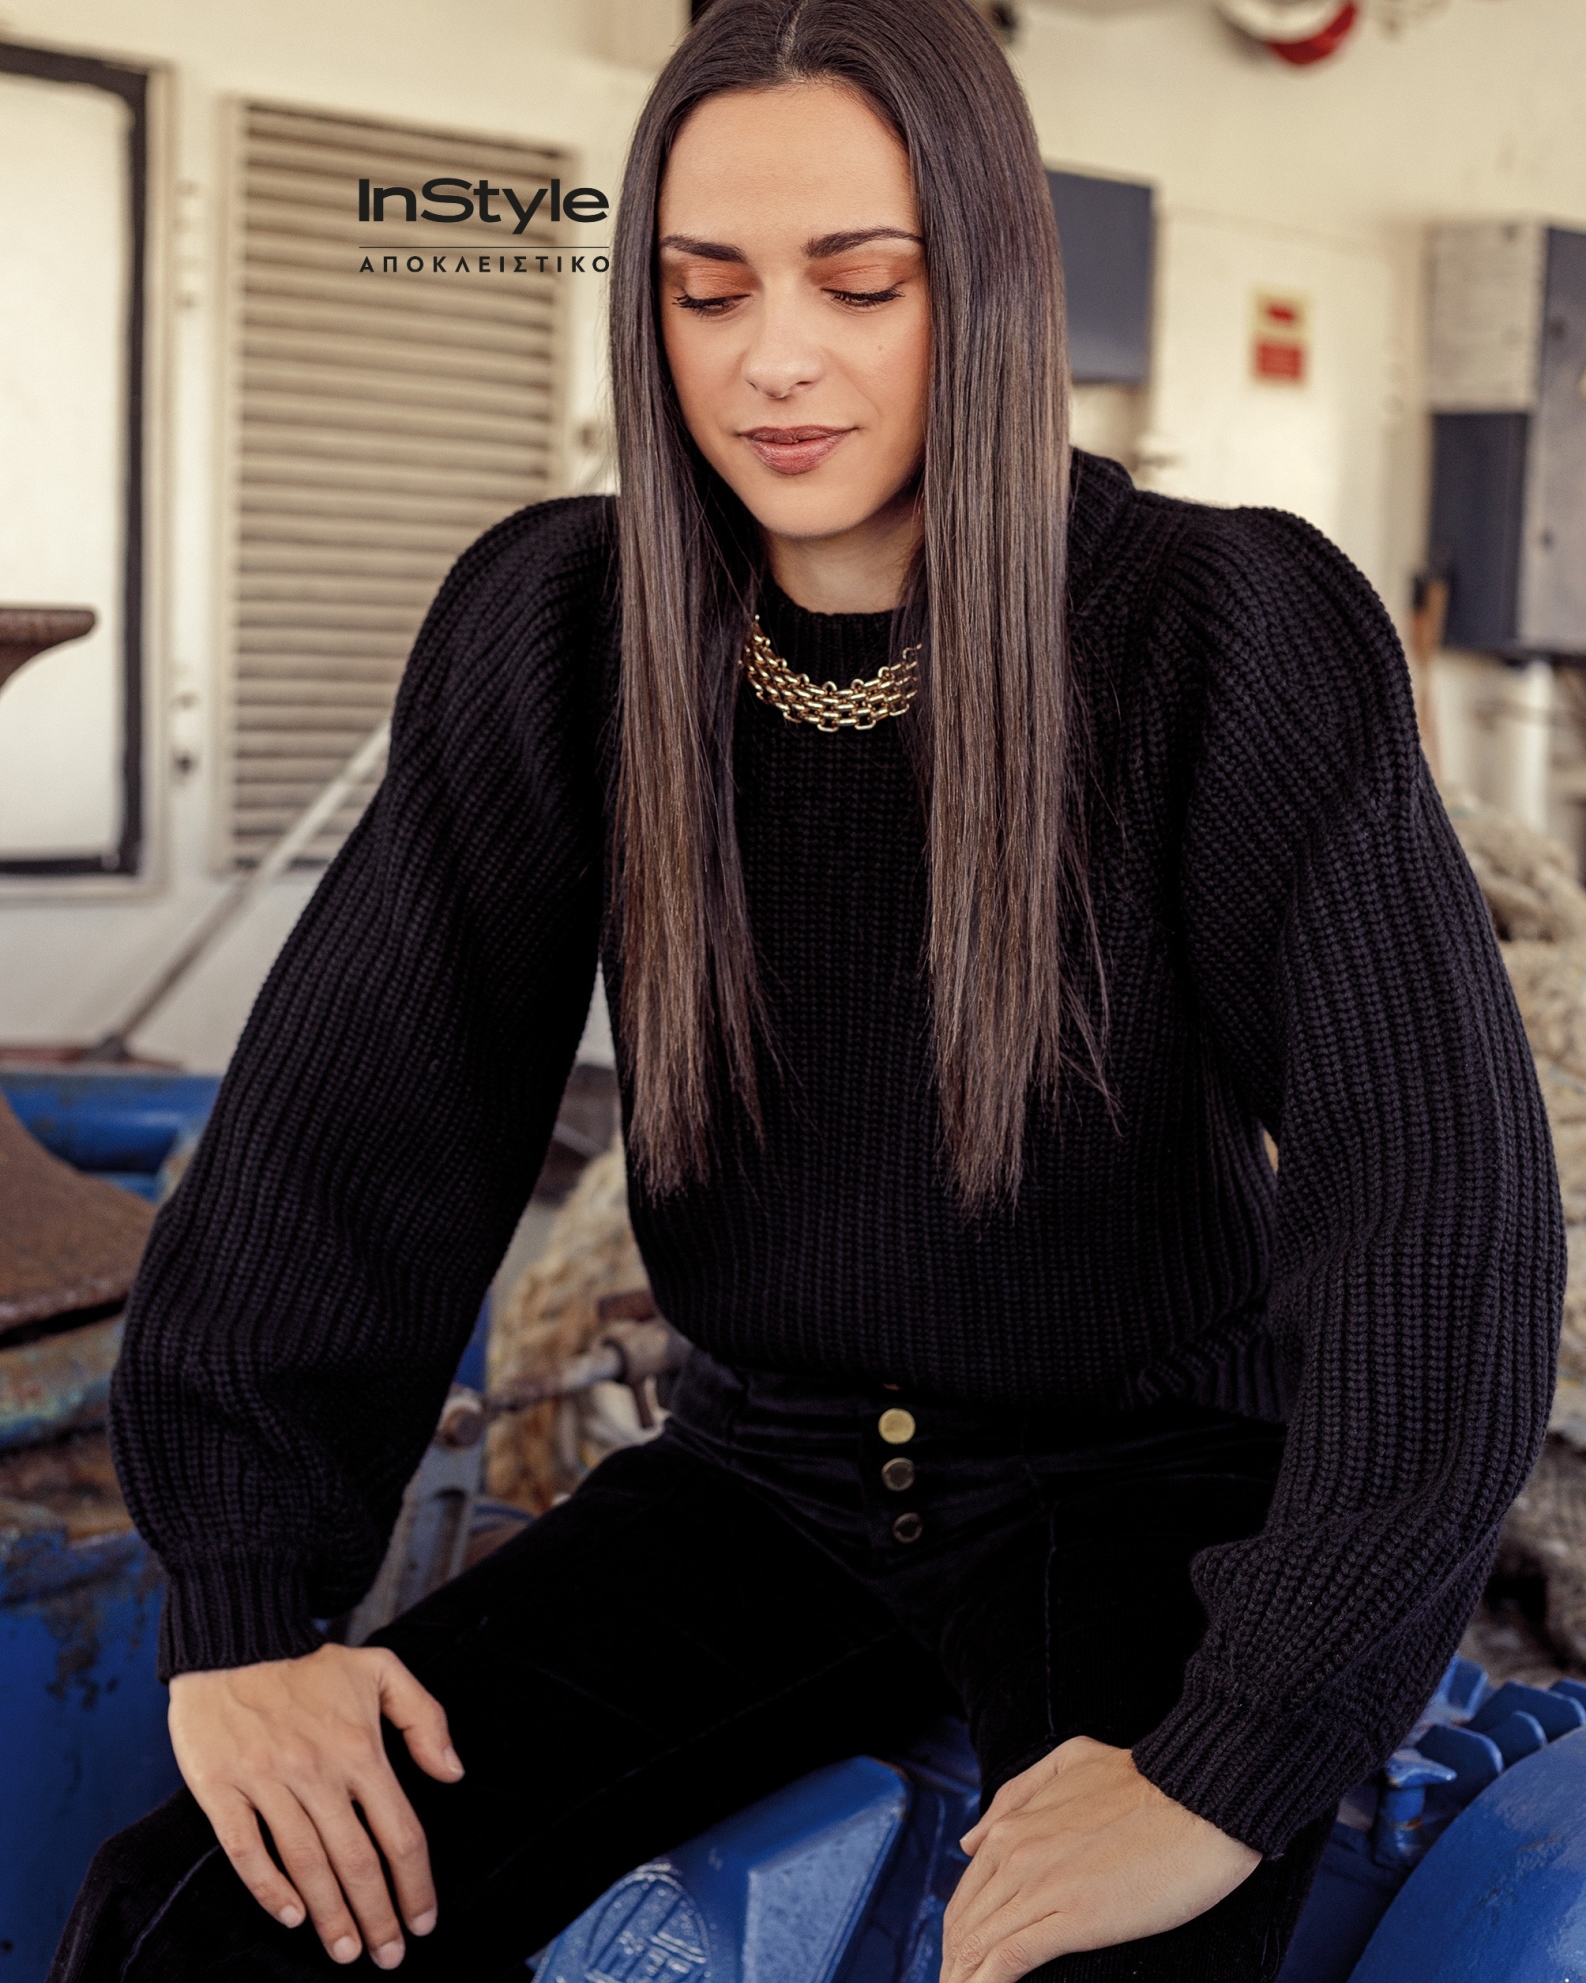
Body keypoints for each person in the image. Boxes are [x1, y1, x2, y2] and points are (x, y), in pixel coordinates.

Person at [55, 2, 1562, 1979]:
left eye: (860, 283)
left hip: (1151, 1493)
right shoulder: (558, 627)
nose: (773, 357)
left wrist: (1229, 1759)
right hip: (759, 1478)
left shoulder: (1225, 631)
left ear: (991, 287)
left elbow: (1434, 1212)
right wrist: (248, 1610)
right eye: (706, 291)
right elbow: (357, 1129)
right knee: (191, 1926)